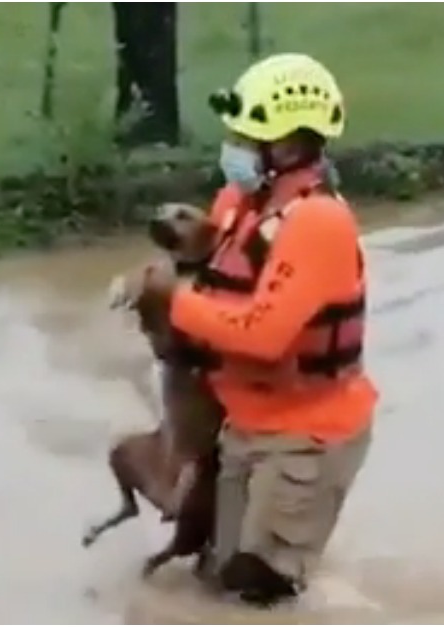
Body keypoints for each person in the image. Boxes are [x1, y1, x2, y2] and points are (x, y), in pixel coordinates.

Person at [133, 53, 376, 607]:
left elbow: (264, 334)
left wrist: (178, 301)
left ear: (287, 144)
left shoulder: (318, 222)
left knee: (259, 588)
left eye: (245, 134)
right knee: (214, 578)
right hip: (244, 424)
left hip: (304, 435)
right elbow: (216, 268)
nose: (234, 145)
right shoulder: (243, 204)